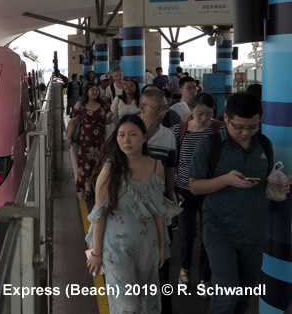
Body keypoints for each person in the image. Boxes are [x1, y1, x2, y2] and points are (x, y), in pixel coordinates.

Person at [189, 93, 291, 313]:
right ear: (226, 118)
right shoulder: (209, 145)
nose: (246, 133)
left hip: (253, 233)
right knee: (226, 295)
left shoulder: (264, 144)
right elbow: (195, 186)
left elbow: (266, 183)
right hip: (219, 230)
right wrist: (225, 180)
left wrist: (277, 186)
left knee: (244, 297)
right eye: (240, 127)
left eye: (253, 127)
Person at [86, 115, 179, 313]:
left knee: (147, 302)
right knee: (126, 305)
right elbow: (99, 214)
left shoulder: (157, 167)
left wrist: (162, 247)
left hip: (148, 246)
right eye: (121, 135)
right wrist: (96, 252)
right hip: (116, 248)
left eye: (132, 134)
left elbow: (159, 212)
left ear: (144, 137)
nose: (126, 140)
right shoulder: (110, 169)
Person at [172, 93, 221, 298]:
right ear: (190, 110)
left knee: (207, 235)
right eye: (199, 113)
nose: (203, 119)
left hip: (210, 189)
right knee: (186, 233)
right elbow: (172, 161)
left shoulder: (219, 131)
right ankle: (184, 270)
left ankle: (205, 278)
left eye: (208, 114)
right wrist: (171, 188)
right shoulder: (179, 130)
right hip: (184, 189)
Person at [139, 89, 178, 314]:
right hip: (133, 209)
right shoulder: (127, 133)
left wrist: (168, 199)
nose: (163, 112)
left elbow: (170, 170)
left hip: (158, 208)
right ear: (143, 108)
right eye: (158, 108)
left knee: (162, 257)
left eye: (165, 108)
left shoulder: (168, 136)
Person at [66, 82, 113, 200]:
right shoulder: (80, 105)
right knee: (85, 164)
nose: (94, 92)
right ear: (87, 92)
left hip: (100, 140)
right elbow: (73, 122)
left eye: (96, 90)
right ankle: (87, 189)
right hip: (85, 140)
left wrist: (109, 117)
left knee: (100, 163)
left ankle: (98, 186)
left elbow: (108, 122)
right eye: (92, 90)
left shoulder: (103, 105)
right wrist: (69, 137)